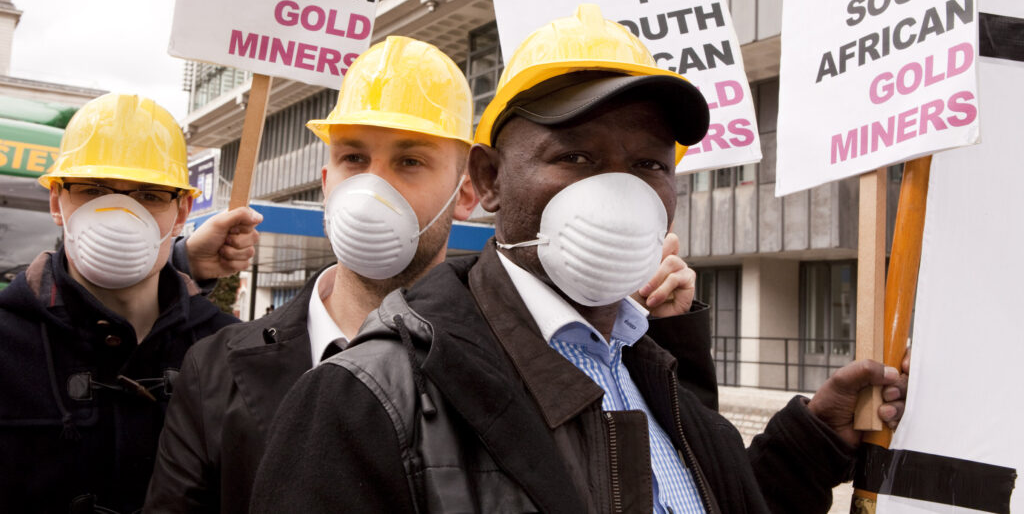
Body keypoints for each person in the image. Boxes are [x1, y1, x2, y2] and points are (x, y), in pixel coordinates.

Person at [251, 5, 907, 514]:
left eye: (648, 162)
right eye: (577, 157)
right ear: (492, 177)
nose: (619, 190)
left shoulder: (656, 374)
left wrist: (812, 440)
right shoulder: (367, 402)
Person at [144, 35, 704, 514]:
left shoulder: (545, 359)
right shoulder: (218, 366)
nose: (373, 188)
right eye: (353, 159)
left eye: (409, 161)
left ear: (467, 190)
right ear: (325, 178)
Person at [0, 93, 259, 514]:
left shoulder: (225, 353)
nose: (120, 215)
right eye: (93, 190)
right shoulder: (7, 341)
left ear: (182, 212)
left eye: (149, 195)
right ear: (56, 202)